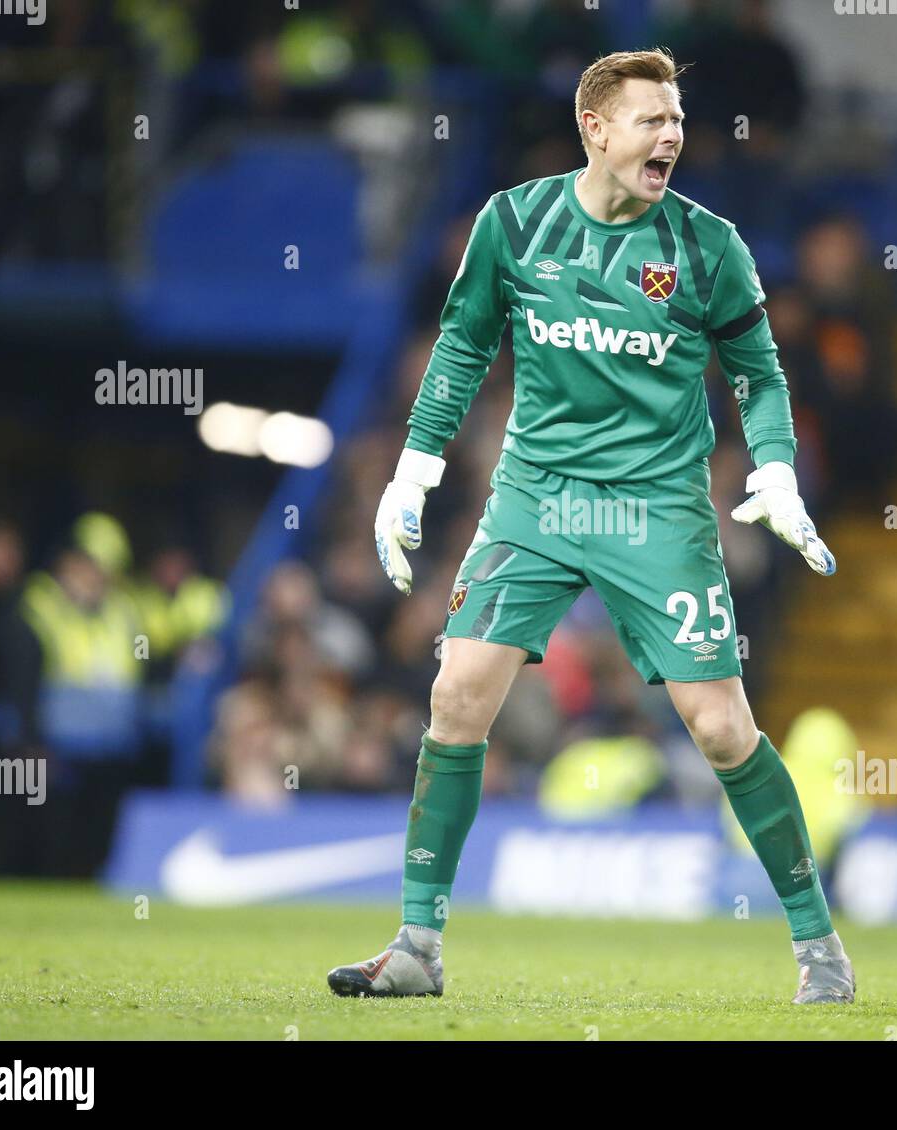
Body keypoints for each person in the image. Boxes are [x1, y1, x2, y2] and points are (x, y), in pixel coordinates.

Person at [327, 49, 854, 1006]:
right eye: (652, 119)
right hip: (537, 497)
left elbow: (761, 373)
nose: (672, 136)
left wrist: (774, 466)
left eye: (678, 120)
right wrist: (413, 469)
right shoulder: (515, 222)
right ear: (596, 131)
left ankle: (819, 944)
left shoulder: (708, 247)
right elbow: (461, 344)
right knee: (456, 698)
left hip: (656, 507)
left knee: (722, 726)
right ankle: (416, 945)